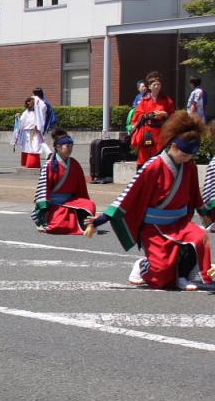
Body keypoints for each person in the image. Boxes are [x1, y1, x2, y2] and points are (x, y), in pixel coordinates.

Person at [86, 112, 213, 291]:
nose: (187, 158)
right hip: (154, 227)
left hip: (180, 223)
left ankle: (183, 275)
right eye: (184, 154)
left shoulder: (189, 166)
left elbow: (195, 195)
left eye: (191, 155)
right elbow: (129, 193)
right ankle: (143, 266)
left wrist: (206, 214)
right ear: (173, 144)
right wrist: (102, 218)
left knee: (200, 237)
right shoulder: (153, 165)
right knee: (161, 277)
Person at [32, 128, 96, 235]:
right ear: (58, 147)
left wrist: (82, 205)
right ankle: (50, 220)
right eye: (68, 146)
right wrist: (43, 211)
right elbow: (43, 190)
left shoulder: (75, 164)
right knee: (60, 224)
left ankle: (81, 221)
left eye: (71, 146)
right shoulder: (49, 165)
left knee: (90, 205)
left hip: (71, 201)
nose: (70, 149)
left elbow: (81, 188)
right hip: (54, 204)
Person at [130, 71, 175, 167]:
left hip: (161, 132)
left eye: (159, 84)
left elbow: (173, 115)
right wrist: (150, 115)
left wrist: (166, 114)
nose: (157, 86)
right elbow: (137, 116)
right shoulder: (144, 101)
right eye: (155, 84)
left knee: (160, 159)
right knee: (144, 160)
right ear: (149, 87)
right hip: (147, 133)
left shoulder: (167, 100)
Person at [12, 97, 44, 168]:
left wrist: (37, 126)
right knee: (26, 148)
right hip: (26, 132)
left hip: (34, 131)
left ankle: (33, 163)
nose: (29, 103)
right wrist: (18, 117)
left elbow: (40, 120)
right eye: (28, 102)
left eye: (30, 102)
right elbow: (21, 121)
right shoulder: (26, 112)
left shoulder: (37, 112)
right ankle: (26, 163)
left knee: (34, 147)